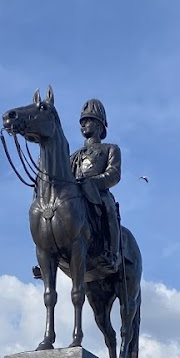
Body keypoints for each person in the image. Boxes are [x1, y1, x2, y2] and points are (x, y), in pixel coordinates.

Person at [70, 98, 122, 271]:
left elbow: (114, 174)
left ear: (99, 126)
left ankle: (112, 253)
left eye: (88, 121)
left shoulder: (111, 149)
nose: (83, 125)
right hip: (76, 193)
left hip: (99, 192)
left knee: (109, 209)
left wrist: (93, 182)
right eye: (82, 122)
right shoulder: (75, 155)